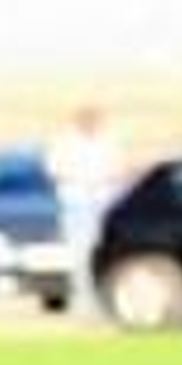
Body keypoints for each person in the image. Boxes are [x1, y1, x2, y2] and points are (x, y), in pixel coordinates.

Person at [47, 104, 123, 319]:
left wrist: (104, 182)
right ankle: (83, 303)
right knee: (80, 255)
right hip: (77, 204)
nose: (91, 123)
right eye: (86, 119)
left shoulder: (108, 142)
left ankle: (104, 302)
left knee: (104, 253)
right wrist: (81, 180)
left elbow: (117, 168)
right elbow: (55, 169)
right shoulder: (65, 142)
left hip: (103, 202)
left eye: (94, 119)